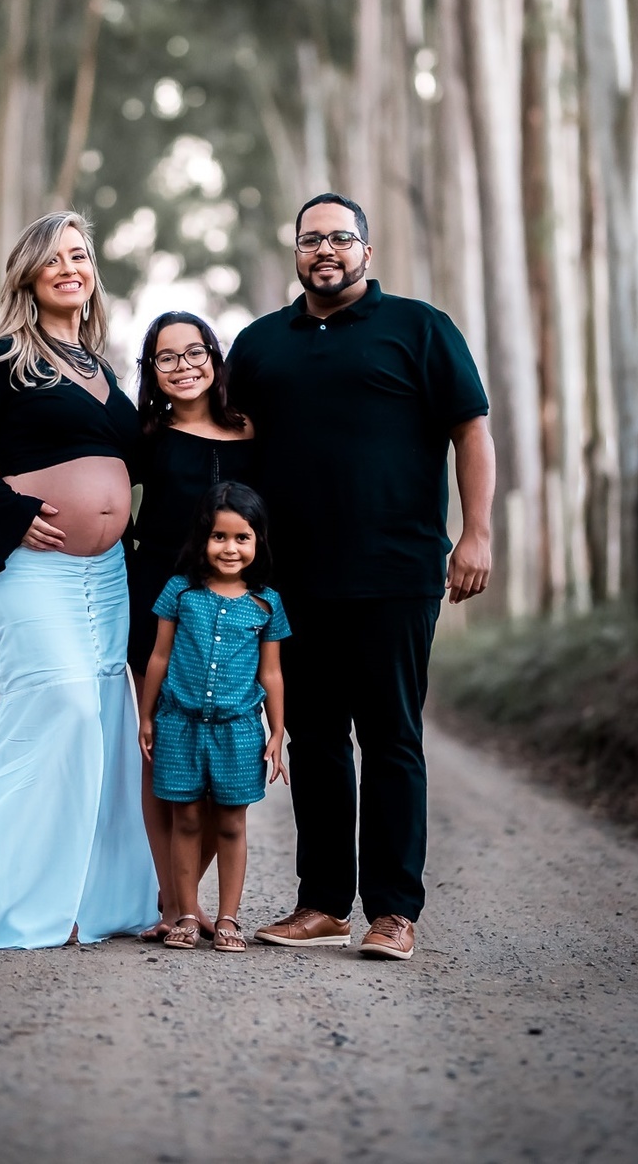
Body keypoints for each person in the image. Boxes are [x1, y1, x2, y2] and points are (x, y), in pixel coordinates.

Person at [228, 193, 495, 962]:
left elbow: (471, 430)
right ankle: (322, 904)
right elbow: (227, 446)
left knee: (390, 738)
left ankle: (393, 911)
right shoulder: (259, 345)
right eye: (311, 239)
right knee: (313, 739)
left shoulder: (420, 328)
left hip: (396, 572)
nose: (326, 250)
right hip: (290, 581)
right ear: (295, 252)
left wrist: (476, 533)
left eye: (341, 238)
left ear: (366, 253)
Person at [0, 210, 156, 951]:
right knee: (61, 707)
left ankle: (87, 902)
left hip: (107, 575)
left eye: (79, 256)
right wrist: (6, 508)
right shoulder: (6, 357)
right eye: (54, 259)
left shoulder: (105, 370)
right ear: (30, 276)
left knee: (103, 722)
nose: (69, 268)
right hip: (31, 567)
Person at [130, 311, 259, 939]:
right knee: (165, 755)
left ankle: (186, 896)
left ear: (214, 355)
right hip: (157, 601)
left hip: (234, 613)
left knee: (221, 757)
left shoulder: (253, 431)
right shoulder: (145, 436)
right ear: (151, 371)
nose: (183, 366)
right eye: (166, 357)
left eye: (194, 352)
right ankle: (174, 905)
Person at [137, 482, 290, 953]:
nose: (230, 548)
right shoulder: (180, 592)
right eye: (219, 536)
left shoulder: (267, 603)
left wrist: (277, 731)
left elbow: (271, 673)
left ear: (258, 540)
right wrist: (147, 717)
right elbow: (159, 657)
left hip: (238, 733)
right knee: (185, 819)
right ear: (203, 538)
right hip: (179, 725)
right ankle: (185, 915)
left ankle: (227, 919)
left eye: (242, 537)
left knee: (230, 824)